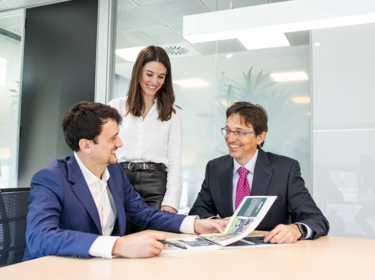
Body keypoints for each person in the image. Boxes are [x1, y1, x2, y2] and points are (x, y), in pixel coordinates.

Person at [22, 101, 227, 261]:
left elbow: (144, 214)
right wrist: (117, 245)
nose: (120, 144)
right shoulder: (51, 179)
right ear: (86, 145)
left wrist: (196, 224)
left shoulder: (115, 172)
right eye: (112, 139)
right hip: (54, 270)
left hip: (99, 267)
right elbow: (40, 238)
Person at [189, 102, 329, 244]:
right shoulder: (215, 168)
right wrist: (217, 222)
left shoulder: (285, 169)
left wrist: (296, 230)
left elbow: (317, 219)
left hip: (271, 253)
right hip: (227, 252)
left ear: (260, 137)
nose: (230, 138)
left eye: (240, 132)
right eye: (228, 130)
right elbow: (198, 211)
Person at [108, 46, 182, 234]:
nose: (154, 81)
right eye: (149, 74)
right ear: (138, 72)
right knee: (119, 240)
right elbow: (104, 149)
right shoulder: (114, 107)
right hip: (120, 179)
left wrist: (171, 202)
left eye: (161, 76)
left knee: (154, 243)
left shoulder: (172, 114)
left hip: (156, 185)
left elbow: (175, 161)